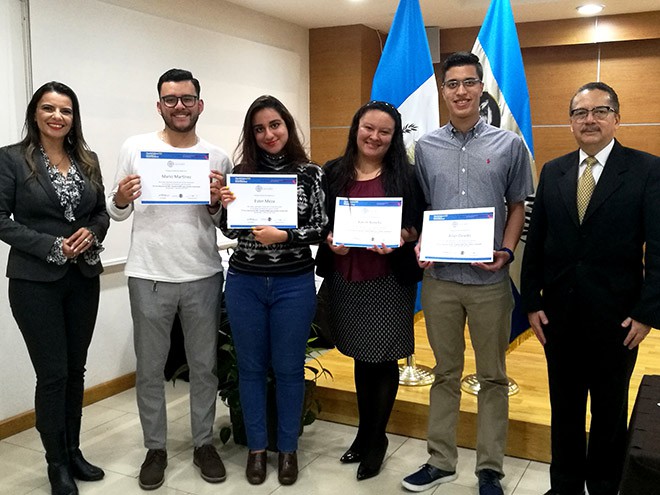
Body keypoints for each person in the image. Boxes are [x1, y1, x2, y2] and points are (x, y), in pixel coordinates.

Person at [402, 52, 533, 495]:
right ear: (443, 91)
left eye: (468, 82)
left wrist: (507, 251)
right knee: (444, 372)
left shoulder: (509, 145)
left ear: (481, 88)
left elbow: (518, 206)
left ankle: (490, 469)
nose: (460, 91)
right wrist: (420, 240)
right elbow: (420, 208)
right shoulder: (425, 147)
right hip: (439, 281)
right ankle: (440, 460)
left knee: (492, 376)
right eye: (452, 83)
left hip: (489, 283)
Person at [520, 82, 660, 495]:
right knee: (564, 409)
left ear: (617, 118)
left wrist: (648, 312)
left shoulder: (647, 169)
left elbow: (659, 246)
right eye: (580, 112)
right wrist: (530, 302)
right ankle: (563, 486)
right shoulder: (554, 170)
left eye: (601, 111)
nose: (590, 119)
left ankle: (602, 486)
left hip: (617, 318)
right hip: (558, 317)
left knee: (609, 411)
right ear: (570, 123)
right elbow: (538, 241)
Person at [106, 68, 231, 490]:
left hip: (202, 274)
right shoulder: (135, 147)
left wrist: (217, 202)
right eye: (171, 99)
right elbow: (118, 210)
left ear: (200, 104)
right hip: (148, 274)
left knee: (204, 367)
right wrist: (120, 198)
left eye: (187, 98)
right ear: (159, 105)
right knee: (150, 369)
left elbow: (222, 219)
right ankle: (155, 449)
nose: (180, 106)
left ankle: (202, 444)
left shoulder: (217, 156)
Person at [0, 81, 109, 495]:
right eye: (49, 108)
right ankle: (56, 462)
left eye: (65, 110)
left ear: (73, 117)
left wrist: (91, 233)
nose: (57, 116)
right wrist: (49, 245)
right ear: (35, 113)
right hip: (34, 283)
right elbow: (0, 219)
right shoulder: (11, 159)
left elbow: (100, 212)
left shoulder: (88, 158)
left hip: (83, 278)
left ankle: (74, 450)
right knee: (53, 375)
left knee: (76, 372)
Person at [219, 95, 327, 486]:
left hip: (294, 284)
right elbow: (230, 230)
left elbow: (322, 227)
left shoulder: (311, 173)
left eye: (275, 125)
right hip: (245, 282)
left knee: (288, 370)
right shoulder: (241, 173)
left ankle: (288, 450)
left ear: (287, 126)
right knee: (249, 369)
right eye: (259, 128)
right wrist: (222, 204)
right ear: (252, 134)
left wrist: (286, 234)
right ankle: (257, 450)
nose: (268, 134)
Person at [316, 100, 423, 481]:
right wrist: (330, 241)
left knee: (383, 359)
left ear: (394, 138)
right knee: (363, 358)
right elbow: (321, 223)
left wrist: (403, 236)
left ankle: (376, 440)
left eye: (384, 131)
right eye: (368, 128)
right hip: (347, 277)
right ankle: (364, 435)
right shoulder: (333, 172)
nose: (374, 136)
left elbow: (418, 224)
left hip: (388, 280)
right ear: (355, 129)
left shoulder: (406, 176)